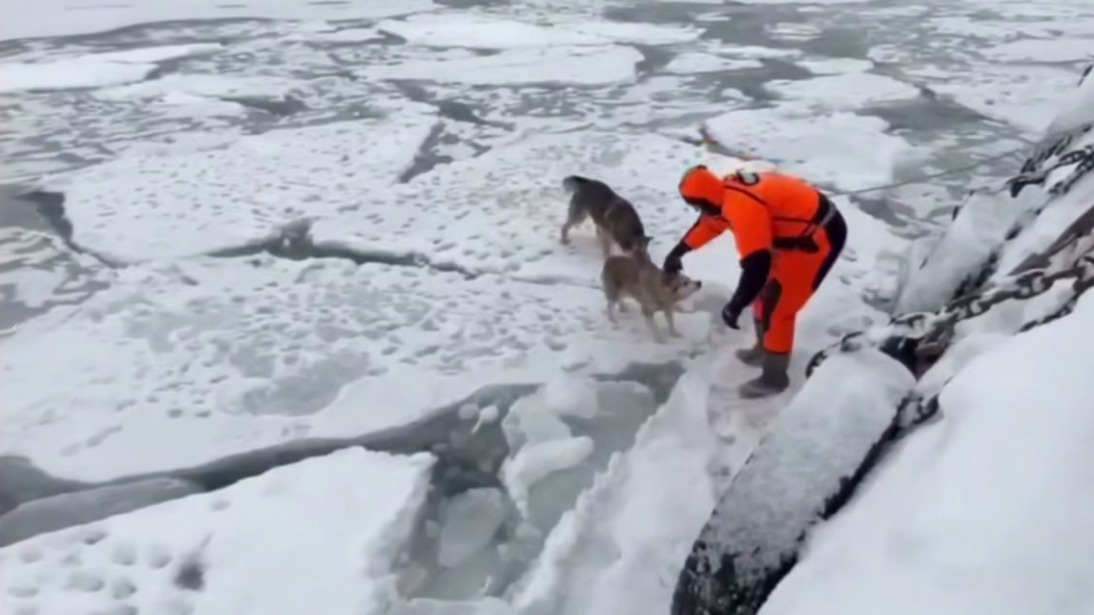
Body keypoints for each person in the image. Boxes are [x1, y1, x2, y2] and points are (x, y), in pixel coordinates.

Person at [662, 164, 848, 399]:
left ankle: (774, 378)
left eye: (696, 204)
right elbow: (708, 226)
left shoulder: (742, 207)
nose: (697, 209)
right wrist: (676, 253)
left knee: (780, 309)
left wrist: (736, 304)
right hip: (793, 238)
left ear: (706, 199)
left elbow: (757, 267)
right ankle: (763, 349)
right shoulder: (722, 196)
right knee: (764, 298)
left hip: (819, 237)